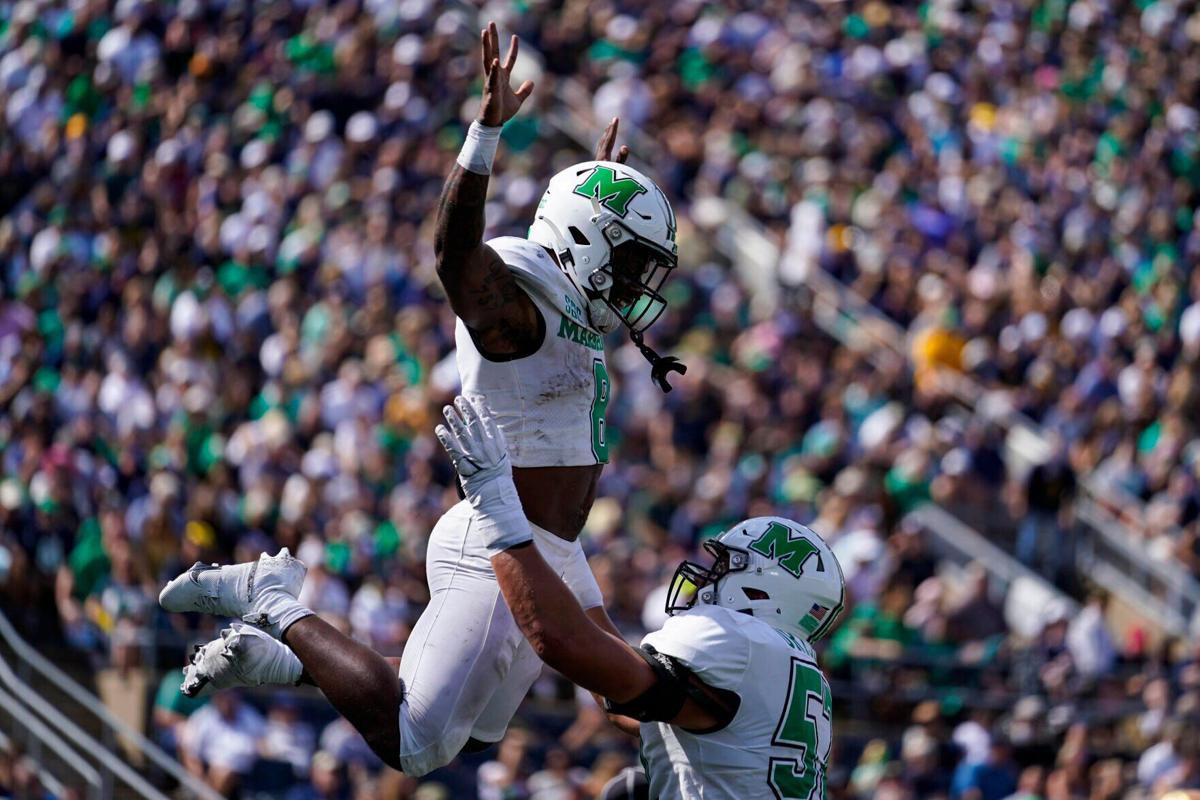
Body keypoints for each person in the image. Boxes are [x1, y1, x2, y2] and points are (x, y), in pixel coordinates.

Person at [159, 20, 683, 776]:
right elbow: (452, 255)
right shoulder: (517, 294)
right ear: (581, 241)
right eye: (628, 263)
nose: (637, 287)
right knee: (417, 743)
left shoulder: (562, 297)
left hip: (551, 546)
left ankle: (272, 659)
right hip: (501, 539)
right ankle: (274, 597)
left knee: (474, 735)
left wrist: (601, 187)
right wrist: (486, 134)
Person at [434, 396, 846, 799]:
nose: (708, 578)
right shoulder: (790, 666)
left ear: (764, 588)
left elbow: (560, 641)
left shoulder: (740, 640)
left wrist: (498, 508)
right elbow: (626, 697)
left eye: (728, 566)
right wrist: (567, 557)